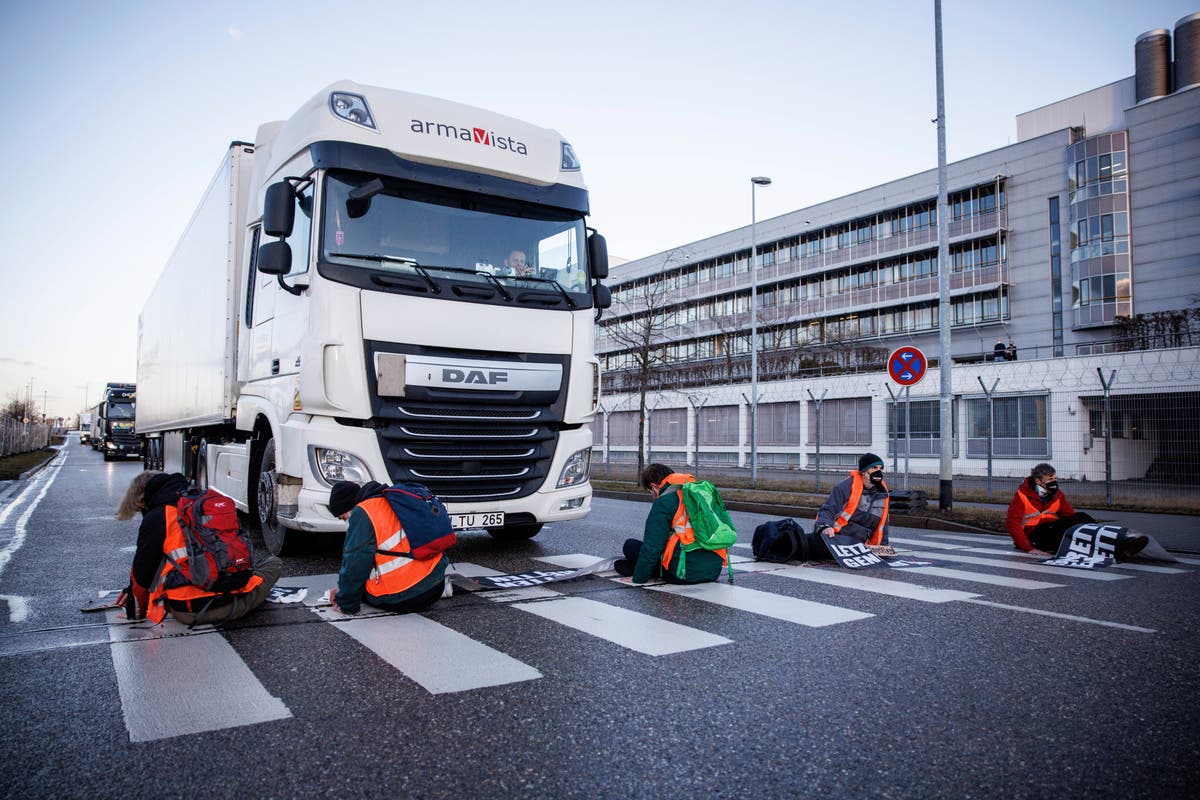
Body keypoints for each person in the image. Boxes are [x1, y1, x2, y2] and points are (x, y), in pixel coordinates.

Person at [115, 471, 281, 625]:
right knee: (273, 564)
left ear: (144, 497)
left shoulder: (158, 517)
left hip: (188, 610)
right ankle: (248, 596)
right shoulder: (205, 503)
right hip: (234, 597)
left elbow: (143, 573)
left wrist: (133, 608)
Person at [327, 480, 448, 614]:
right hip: (437, 585)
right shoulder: (391, 499)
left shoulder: (363, 512)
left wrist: (345, 602)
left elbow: (356, 562)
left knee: (365, 590)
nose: (346, 522)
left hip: (408, 596)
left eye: (343, 517)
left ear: (348, 508)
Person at [613, 463, 726, 584]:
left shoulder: (664, 501)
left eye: (650, 492)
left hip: (682, 574)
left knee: (629, 547)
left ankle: (645, 570)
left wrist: (638, 578)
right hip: (713, 571)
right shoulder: (702, 493)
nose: (652, 496)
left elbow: (653, 546)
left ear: (654, 487)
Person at [1004, 463, 1137, 557]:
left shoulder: (1056, 494)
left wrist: (1078, 527)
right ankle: (1116, 545)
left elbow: (1069, 515)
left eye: (1054, 478)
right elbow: (1012, 523)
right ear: (1038, 481)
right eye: (1050, 479)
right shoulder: (1022, 495)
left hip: (1051, 528)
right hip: (1034, 534)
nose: (1054, 482)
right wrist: (1029, 548)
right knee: (1065, 528)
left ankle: (1118, 539)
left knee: (1081, 517)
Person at [813, 453, 891, 549]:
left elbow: (883, 526)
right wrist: (824, 527)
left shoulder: (882, 494)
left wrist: (883, 547)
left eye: (881, 468)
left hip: (861, 543)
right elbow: (828, 510)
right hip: (837, 538)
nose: (878, 471)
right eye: (874, 468)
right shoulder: (845, 487)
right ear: (863, 471)